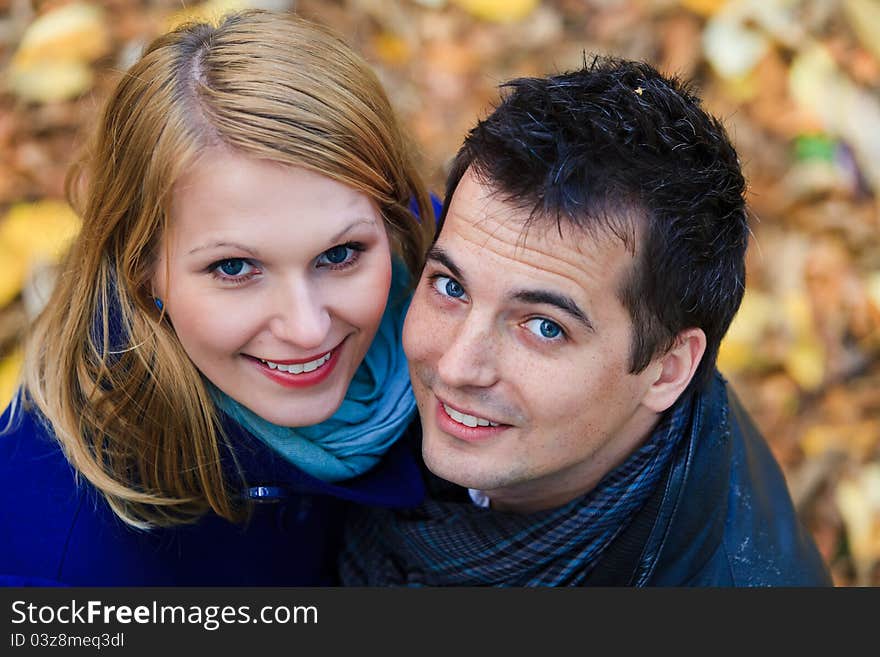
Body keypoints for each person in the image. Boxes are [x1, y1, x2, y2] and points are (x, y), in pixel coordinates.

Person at [340, 57, 833, 586]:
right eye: (452, 287)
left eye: (545, 326)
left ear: (667, 370)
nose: (457, 366)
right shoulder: (352, 349)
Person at [0, 9, 437, 586]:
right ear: (141, 268)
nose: (307, 329)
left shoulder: (426, 250)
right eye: (235, 267)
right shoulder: (60, 566)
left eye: (339, 256)